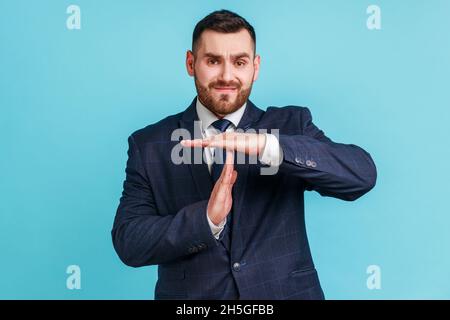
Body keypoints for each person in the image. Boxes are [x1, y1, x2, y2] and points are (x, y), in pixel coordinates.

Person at [111, 9, 377, 300]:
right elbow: (129, 241)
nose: (227, 75)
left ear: (255, 67)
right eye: (213, 61)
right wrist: (206, 219)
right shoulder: (149, 143)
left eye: (239, 62)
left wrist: (268, 146)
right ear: (191, 63)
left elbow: (361, 175)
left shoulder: (290, 125)